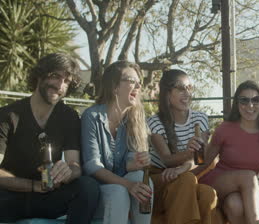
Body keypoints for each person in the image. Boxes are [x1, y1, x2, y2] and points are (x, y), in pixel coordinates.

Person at [0, 53, 99, 223]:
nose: (60, 85)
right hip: (9, 197)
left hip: (48, 197)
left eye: (66, 81)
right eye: (55, 76)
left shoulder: (69, 117)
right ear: (40, 75)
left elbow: (74, 164)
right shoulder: (8, 115)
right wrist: (33, 186)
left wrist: (68, 172)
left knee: (87, 186)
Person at [199, 80, 259, 224]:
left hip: (244, 190)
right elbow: (204, 161)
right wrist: (185, 175)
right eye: (244, 100)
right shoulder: (224, 128)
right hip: (217, 182)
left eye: (255, 100)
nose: (250, 106)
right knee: (248, 176)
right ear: (237, 104)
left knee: (235, 206)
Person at [81, 60, 152, 224]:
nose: (138, 87)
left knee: (141, 178)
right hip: (95, 192)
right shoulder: (91, 116)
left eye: (139, 83)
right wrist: (127, 184)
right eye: (132, 81)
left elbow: (126, 164)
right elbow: (92, 166)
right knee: (119, 192)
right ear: (114, 87)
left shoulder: (135, 120)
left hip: (122, 184)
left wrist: (134, 162)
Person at [147, 69, 217, 224]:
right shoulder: (154, 122)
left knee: (206, 193)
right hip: (160, 178)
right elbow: (166, 160)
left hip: (185, 174)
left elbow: (200, 158)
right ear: (167, 93)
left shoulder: (200, 118)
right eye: (180, 88)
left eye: (189, 88)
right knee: (186, 179)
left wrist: (182, 168)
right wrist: (187, 152)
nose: (187, 93)